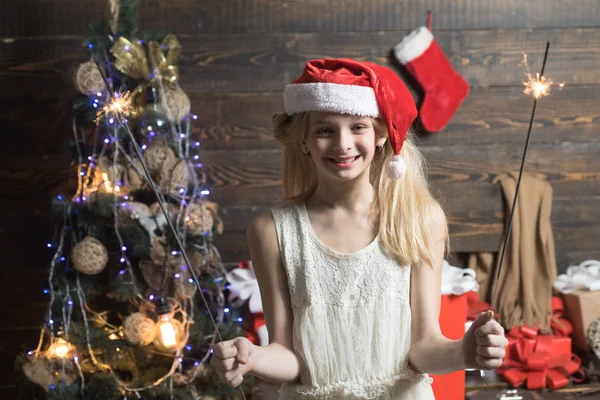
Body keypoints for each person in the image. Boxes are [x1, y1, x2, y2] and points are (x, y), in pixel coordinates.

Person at [210, 58, 508, 399]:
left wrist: (464, 353)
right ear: (304, 140)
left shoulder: (419, 220)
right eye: (324, 129)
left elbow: (423, 347)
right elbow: (291, 358)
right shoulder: (272, 231)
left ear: (381, 134)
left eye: (358, 127)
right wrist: (253, 356)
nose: (342, 144)